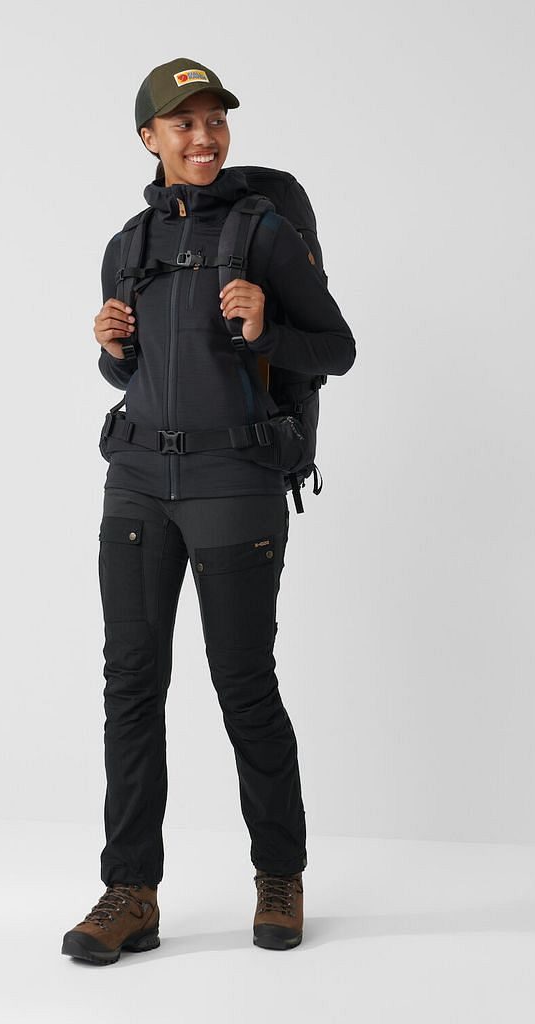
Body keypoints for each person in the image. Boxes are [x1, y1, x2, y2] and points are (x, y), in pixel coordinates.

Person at [61, 57, 356, 965]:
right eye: (184, 123)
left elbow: (337, 349)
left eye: (215, 120)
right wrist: (111, 348)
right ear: (148, 137)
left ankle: (279, 877)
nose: (204, 137)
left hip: (236, 484)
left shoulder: (262, 232)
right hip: (137, 482)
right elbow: (133, 369)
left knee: (243, 685)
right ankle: (130, 893)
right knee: (130, 687)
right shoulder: (127, 245)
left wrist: (268, 326)